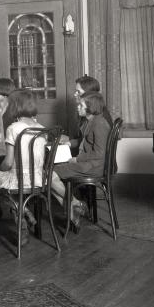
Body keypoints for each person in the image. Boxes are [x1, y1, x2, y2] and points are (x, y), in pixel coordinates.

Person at [0, 89, 44, 245]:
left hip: (18, 180)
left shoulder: (13, 128)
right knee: (6, 186)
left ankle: (21, 219)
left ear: (15, 106)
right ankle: (24, 210)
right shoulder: (42, 128)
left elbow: (8, 163)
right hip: (38, 179)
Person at [50, 92, 111, 232]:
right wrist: (69, 143)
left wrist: (77, 159)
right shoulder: (92, 121)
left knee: (48, 176)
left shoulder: (99, 124)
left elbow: (99, 153)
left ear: (90, 107)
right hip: (89, 164)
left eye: (81, 105)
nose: (78, 107)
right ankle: (75, 207)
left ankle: (75, 206)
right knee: (49, 177)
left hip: (93, 167)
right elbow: (86, 142)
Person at [66, 75, 113, 150]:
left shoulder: (100, 119)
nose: (75, 94)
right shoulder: (89, 112)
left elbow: (99, 151)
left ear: (89, 94)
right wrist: (69, 143)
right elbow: (85, 140)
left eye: (78, 92)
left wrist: (77, 160)